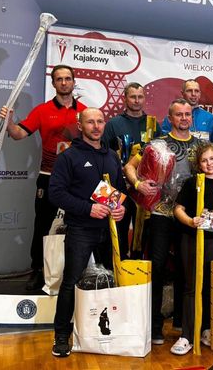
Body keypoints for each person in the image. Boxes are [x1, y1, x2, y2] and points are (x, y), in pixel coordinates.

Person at [0, 64, 86, 291]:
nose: (64, 83)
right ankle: (38, 270)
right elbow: (18, 134)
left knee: (77, 226)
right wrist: (9, 123)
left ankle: (74, 270)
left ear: (74, 81)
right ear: (54, 83)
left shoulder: (85, 111)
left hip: (77, 180)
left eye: (68, 78)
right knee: (43, 226)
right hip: (49, 177)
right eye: (59, 79)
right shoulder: (42, 110)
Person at [48, 107, 126, 357]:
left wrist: (120, 209)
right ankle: (62, 336)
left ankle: (106, 332)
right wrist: (87, 208)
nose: (96, 126)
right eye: (90, 122)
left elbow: (119, 190)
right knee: (71, 282)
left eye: (100, 121)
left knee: (110, 281)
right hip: (81, 229)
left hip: (109, 230)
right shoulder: (69, 156)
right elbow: (55, 193)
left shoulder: (112, 156)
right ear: (80, 125)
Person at [124, 98, 199, 345]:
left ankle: (181, 322)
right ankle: (155, 326)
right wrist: (138, 184)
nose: (184, 118)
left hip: (188, 216)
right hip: (160, 215)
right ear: (170, 118)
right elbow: (129, 167)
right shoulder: (157, 144)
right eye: (179, 114)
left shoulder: (201, 146)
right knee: (157, 268)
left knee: (186, 270)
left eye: (187, 114)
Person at [170, 142, 213, 355]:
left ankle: (207, 329)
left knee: (210, 285)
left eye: (212, 159)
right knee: (192, 286)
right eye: (204, 160)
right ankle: (187, 336)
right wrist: (190, 221)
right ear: (199, 164)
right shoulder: (192, 183)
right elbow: (178, 209)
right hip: (191, 240)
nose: (209, 163)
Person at [102, 82, 162, 259]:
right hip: (118, 185)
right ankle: (115, 266)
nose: (137, 100)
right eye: (133, 97)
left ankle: (137, 266)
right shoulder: (113, 124)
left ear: (144, 98)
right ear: (125, 98)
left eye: (140, 96)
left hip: (145, 188)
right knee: (116, 229)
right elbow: (103, 154)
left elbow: (160, 155)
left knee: (142, 234)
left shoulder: (153, 124)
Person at [161, 79, 213, 150]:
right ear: (182, 93)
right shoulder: (172, 118)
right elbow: (164, 142)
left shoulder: (209, 118)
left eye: (196, 91)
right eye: (189, 91)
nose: (193, 94)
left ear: (200, 94)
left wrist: (208, 152)